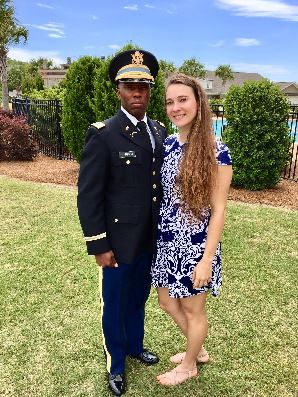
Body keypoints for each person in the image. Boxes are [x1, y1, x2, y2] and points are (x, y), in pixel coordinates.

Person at [77, 50, 167, 396]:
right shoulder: (104, 134)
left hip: (148, 240)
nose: (137, 94)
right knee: (113, 305)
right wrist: (99, 245)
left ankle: (134, 346)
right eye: (130, 87)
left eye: (143, 87)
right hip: (117, 242)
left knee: (138, 298)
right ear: (118, 91)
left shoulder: (158, 131)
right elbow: (89, 196)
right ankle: (115, 366)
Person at [151, 73, 233, 386]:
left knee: (192, 309)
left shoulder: (217, 150)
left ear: (198, 102)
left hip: (195, 245)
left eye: (182, 99)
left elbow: (220, 209)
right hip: (166, 242)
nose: (176, 107)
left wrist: (206, 259)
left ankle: (189, 365)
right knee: (166, 302)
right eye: (170, 101)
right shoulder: (168, 144)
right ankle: (196, 350)